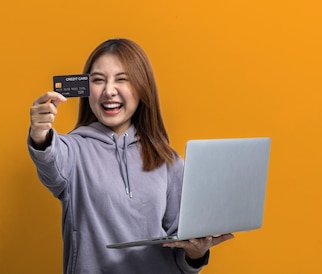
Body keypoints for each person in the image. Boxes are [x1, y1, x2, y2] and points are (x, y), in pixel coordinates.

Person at [27, 38, 234, 273]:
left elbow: (182, 252)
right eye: (98, 80)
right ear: (86, 89)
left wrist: (196, 253)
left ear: (142, 87)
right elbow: (49, 160)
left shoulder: (168, 160)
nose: (108, 91)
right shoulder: (72, 150)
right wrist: (40, 133)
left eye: (122, 79)